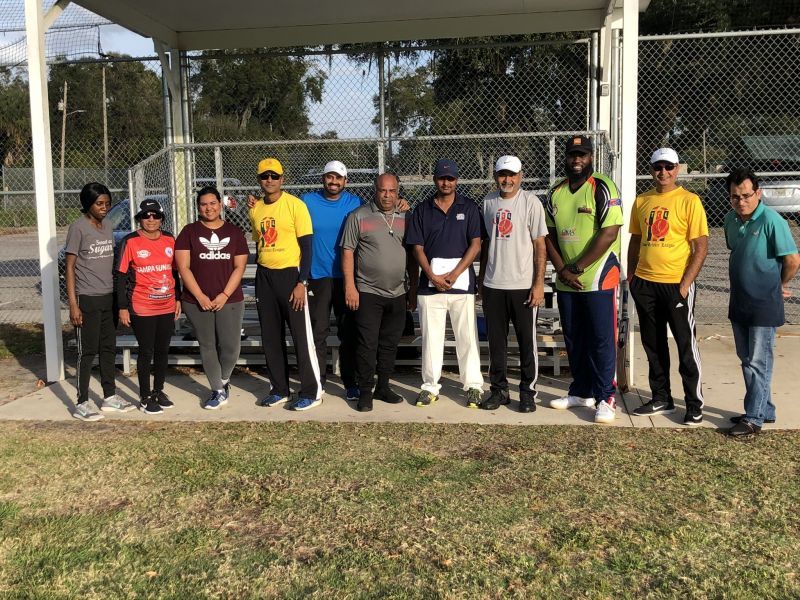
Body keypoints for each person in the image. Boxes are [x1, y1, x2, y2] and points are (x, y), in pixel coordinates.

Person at [544, 136, 623, 424]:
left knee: (601, 339)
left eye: (583, 155)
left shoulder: (602, 186)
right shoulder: (556, 192)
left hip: (597, 277)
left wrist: (575, 268)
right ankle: (582, 390)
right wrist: (562, 268)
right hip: (567, 278)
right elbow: (549, 235)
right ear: (565, 158)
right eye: (572, 155)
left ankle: (606, 396)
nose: (577, 160)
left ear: (591, 157)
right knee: (574, 337)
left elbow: (609, 232)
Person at [628, 148, 709, 425]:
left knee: (685, 345)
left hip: (676, 284)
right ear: (651, 170)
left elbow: (701, 247)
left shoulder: (689, 200)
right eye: (658, 167)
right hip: (645, 284)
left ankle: (694, 404)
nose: (663, 172)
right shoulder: (642, 201)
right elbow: (636, 240)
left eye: (668, 167)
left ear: (677, 169)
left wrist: (685, 285)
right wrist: (631, 276)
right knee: (653, 343)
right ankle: (661, 397)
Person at [723, 168, 799, 437]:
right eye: (734, 196)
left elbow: (792, 260)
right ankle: (764, 408)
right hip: (739, 301)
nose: (741, 201)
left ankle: (753, 418)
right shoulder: (731, 220)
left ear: (758, 193)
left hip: (764, 304)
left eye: (746, 195)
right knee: (746, 358)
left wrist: (779, 285)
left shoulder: (772, 220)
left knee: (758, 360)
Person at [406, 158, 484, 408]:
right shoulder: (422, 209)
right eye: (442, 178)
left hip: (461, 283)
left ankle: (473, 386)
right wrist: (431, 275)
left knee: (467, 337)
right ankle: (430, 386)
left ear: (457, 180)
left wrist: (454, 273)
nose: (446, 183)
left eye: (450, 178)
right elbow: (417, 247)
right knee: (432, 337)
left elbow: (476, 244)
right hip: (431, 286)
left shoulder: (469, 207)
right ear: (434, 179)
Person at [248, 158, 322, 411]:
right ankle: (279, 388)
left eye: (274, 176)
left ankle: (311, 391)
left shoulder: (295, 206)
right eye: (264, 176)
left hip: (291, 276)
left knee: (301, 336)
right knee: (271, 336)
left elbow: (307, 246)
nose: (269, 180)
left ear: (282, 178)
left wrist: (302, 281)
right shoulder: (256, 208)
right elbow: (261, 242)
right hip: (265, 276)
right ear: (259, 180)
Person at [477, 155, 548, 413]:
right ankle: (499, 390)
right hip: (494, 284)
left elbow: (540, 245)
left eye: (512, 174)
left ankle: (527, 391)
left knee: (526, 342)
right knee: (496, 343)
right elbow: (486, 244)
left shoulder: (531, 203)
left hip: (522, 285)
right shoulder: (488, 202)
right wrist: (482, 279)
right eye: (502, 174)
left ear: (521, 175)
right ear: (495, 176)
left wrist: (538, 283)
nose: (507, 179)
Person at [341, 173, 416, 412]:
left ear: (398, 192)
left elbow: (413, 255)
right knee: (367, 344)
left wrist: (412, 289)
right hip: (368, 291)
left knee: (389, 344)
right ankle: (365, 392)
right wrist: (350, 286)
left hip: (398, 292)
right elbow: (348, 252)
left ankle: (383, 386)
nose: (387, 195)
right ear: (375, 190)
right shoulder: (359, 216)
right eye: (383, 190)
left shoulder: (406, 216)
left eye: (392, 191)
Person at [65, 182, 135, 421]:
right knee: (88, 352)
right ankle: (82, 402)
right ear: (88, 204)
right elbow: (70, 267)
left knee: (108, 349)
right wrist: (73, 304)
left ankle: (109, 396)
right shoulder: (78, 228)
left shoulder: (107, 227)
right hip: (87, 299)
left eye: (107, 203)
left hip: (109, 298)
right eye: (99, 204)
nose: (105, 208)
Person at [175, 186, 249, 410]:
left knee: (230, 347)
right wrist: (200, 296)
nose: (208, 208)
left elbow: (240, 267)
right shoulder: (189, 232)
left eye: (212, 203)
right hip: (196, 301)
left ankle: (224, 380)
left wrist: (224, 295)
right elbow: (183, 267)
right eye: (203, 204)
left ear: (220, 204)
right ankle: (217, 390)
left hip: (230, 299)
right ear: (198, 207)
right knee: (208, 345)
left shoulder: (234, 232)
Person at [300, 161, 364, 401]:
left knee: (349, 332)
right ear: (323, 179)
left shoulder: (355, 203)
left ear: (345, 181)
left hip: (347, 278)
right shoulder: (308, 201)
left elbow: (379, 212)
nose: (333, 182)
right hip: (318, 276)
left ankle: (351, 382)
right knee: (318, 332)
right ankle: (318, 380)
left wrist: (402, 204)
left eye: (338, 178)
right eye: (329, 177)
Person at [114, 199, 182, 415]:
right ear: (139, 219)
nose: (150, 219)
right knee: (146, 351)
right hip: (142, 306)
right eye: (146, 215)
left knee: (162, 351)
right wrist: (122, 307)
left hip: (167, 304)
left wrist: (178, 298)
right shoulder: (130, 241)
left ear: (162, 218)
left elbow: (175, 272)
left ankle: (158, 391)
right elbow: (121, 276)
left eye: (155, 215)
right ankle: (144, 397)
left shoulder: (170, 239)